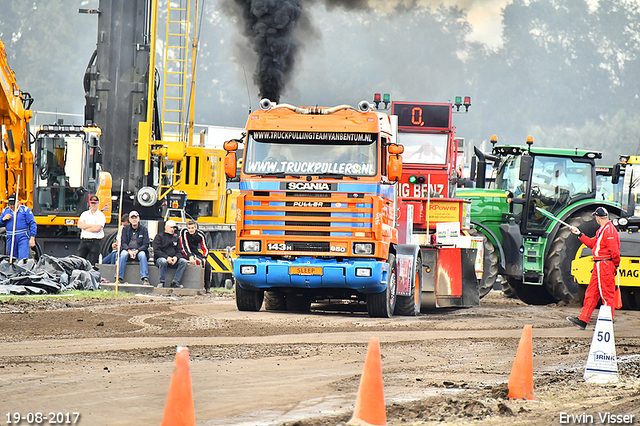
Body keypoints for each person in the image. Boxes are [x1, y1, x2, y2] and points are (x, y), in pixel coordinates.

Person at [567, 207, 620, 330]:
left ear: (598, 218)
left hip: (605, 265)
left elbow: (615, 252)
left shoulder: (609, 231)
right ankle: (583, 320)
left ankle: (607, 323)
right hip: (599, 265)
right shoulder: (602, 230)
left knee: (607, 295)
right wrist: (579, 234)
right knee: (591, 293)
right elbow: (592, 244)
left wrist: (614, 266)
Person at [117, 211, 151, 285]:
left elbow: (146, 244)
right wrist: (129, 251)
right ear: (129, 219)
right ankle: (118, 277)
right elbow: (123, 242)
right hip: (128, 250)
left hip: (139, 250)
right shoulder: (125, 229)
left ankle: (145, 278)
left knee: (142, 255)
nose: (134, 219)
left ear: (139, 219)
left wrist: (137, 251)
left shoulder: (144, 229)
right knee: (123, 254)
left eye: (135, 217)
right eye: (132, 218)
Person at [0, 193, 37, 260]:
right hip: (11, 237)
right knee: (12, 258)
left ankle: (22, 269)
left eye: (13, 204)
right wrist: (3, 219)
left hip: (23, 236)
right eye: (10, 204)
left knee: (23, 258)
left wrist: (32, 238)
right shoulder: (5, 211)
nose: (11, 206)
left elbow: (32, 223)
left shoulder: (25, 210)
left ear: (17, 202)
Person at [152, 219, 187, 288]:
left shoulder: (176, 238)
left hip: (173, 260)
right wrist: (167, 257)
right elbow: (156, 251)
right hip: (161, 259)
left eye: (174, 228)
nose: (172, 229)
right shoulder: (159, 236)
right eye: (171, 227)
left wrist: (176, 257)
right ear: (166, 227)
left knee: (183, 262)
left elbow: (179, 251)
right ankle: (161, 282)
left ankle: (175, 282)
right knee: (163, 261)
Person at [179, 219, 212, 292]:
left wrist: (204, 257)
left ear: (196, 227)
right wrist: (190, 256)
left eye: (192, 228)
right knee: (198, 262)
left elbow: (205, 248)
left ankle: (207, 287)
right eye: (189, 228)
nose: (191, 230)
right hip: (184, 252)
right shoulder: (184, 232)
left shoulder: (200, 234)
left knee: (207, 265)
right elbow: (185, 246)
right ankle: (197, 285)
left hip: (195, 251)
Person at [77, 194, 106, 265]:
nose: (93, 205)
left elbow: (97, 228)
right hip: (84, 241)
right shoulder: (84, 214)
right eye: (92, 203)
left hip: (95, 242)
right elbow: (79, 225)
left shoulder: (101, 215)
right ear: (89, 203)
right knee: (79, 261)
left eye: (95, 203)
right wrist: (91, 226)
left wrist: (85, 227)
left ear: (98, 204)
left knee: (93, 263)